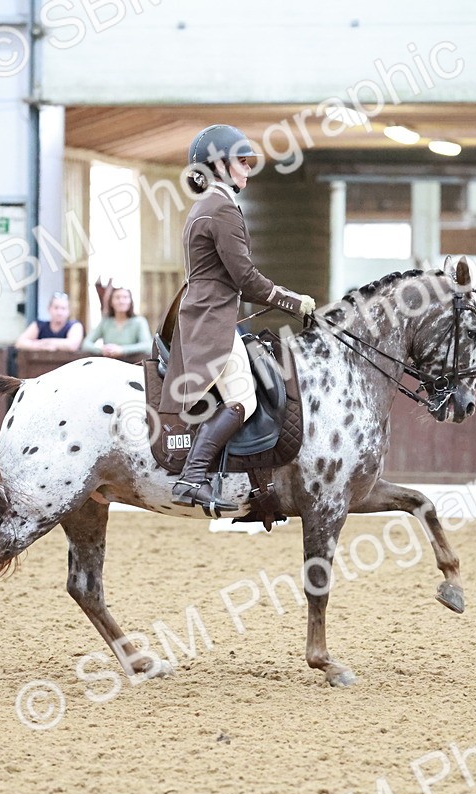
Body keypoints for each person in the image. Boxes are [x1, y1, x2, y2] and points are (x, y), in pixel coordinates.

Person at [159, 124, 316, 516]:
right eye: (241, 162)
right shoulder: (221, 208)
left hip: (209, 312)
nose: (247, 169)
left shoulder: (206, 206)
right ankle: (193, 478)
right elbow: (246, 278)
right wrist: (294, 302)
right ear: (219, 164)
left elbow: (233, 281)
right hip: (212, 322)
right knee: (243, 399)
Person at [81, 287, 151, 361]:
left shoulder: (139, 321)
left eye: (125, 297)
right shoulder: (105, 322)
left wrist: (122, 350)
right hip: (110, 364)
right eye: (117, 298)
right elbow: (86, 344)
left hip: (133, 364)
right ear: (111, 302)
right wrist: (101, 350)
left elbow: (147, 346)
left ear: (130, 301)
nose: (121, 301)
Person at [14, 292, 84, 352]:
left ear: (69, 311)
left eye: (63, 308)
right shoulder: (39, 325)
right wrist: (40, 347)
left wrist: (44, 342)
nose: (59, 312)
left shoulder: (74, 326)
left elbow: (72, 345)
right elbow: (20, 343)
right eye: (56, 308)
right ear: (49, 309)